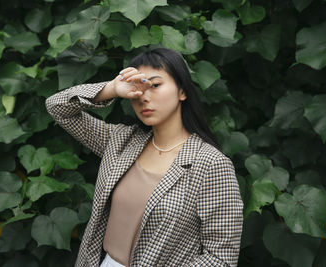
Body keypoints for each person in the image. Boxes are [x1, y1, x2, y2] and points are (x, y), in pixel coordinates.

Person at [45, 47, 243, 267]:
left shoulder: (211, 164)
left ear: (182, 91)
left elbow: (221, 258)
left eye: (155, 85)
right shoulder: (121, 142)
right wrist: (112, 88)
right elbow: (57, 107)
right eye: (137, 89)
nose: (143, 97)